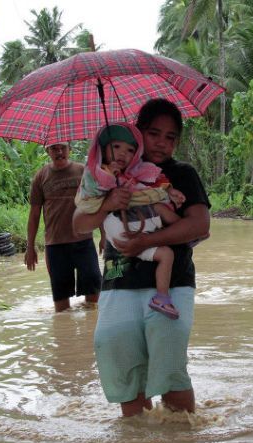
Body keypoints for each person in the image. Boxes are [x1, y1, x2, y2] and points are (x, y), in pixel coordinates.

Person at [72, 99, 211, 416]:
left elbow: (200, 225)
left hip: (171, 285)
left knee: (171, 371)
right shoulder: (105, 175)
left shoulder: (182, 174)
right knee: (124, 373)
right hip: (119, 282)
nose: (162, 143)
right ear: (139, 132)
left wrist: (146, 241)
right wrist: (108, 203)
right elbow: (79, 225)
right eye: (154, 133)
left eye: (171, 137)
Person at [75, 122, 186, 319]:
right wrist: (109, 201)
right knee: (166, 246)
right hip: (120, 257)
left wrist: (170, 191)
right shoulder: (97, 175)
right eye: (116, 146)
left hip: (137, 227)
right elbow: (79, 224)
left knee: (164, 213)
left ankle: (162, 294)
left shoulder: (136, 172)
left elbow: (153, 179)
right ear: (103, 148)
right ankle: (163, 296)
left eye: (130, 150)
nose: (122, 154)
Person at [25, 141, 102, 312]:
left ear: (70, 149)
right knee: (61, 306)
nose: (59, 152)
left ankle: (88, 336)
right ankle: (64, 337)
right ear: (47, 151)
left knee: (94, 298)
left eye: (63, 147)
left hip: (84, 241)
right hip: (55, 245)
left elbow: (97, 204)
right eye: (54, 148)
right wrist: (30, 246)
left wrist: (104, 236)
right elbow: (34, 214)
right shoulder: (41, 176)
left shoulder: (83, 171)